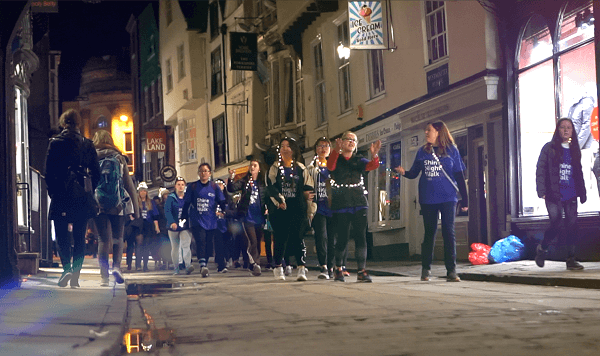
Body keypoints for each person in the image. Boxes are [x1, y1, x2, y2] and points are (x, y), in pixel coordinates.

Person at [395, 121, 468, 282]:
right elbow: (414, 173)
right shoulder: (423, 151)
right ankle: (426, 269)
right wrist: (404, 172)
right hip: (428, 198)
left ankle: (451, 270)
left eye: (429, 130)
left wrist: (465, 200)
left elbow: (459, 176)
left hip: (448, 197)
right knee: (430, 233)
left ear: (438, 131)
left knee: (449, 232)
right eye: (426, 131)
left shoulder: (451, 151)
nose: (426, 133)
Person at [45, 109, 101, 287]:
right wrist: (89, 189)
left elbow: (48, 172)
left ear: (63, 123)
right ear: (79, 123)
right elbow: (96, 172)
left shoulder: (55, 143)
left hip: (61, 193)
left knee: (61, 234)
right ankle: (75, 276)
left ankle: (66, 268)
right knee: (79, 236)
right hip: (81, 195)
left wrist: (53, 192)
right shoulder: (87, 144)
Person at [327, 132, 380, 283]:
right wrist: (336, 151)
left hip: (359, 201)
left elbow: (372, 166)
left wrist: (375, 155)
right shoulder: (336, 158)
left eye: (354, 140)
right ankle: (338, 269)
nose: (351, 142)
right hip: (342, 203)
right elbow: (330, 167)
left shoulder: (359, 159)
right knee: (342, 237)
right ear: (342, 143)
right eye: (348, 139)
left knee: (361, 237)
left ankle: (361, 270)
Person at [535, 118, 586, 270]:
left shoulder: (574, 149)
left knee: (572, 225)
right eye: (563, 127)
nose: (565, 130)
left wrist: (582, 192)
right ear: (558, 130)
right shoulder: (549, 148)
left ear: (572, 131)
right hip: (553, 194)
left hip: (571, 193)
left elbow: (578, 172)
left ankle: (571, 259)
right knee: (556, 222)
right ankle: (542, 248)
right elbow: (541, 170)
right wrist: (542, 191)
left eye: (569, 128)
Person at [92, 130, 140, 286]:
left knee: (102, 239)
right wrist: (136, 210)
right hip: (117, 204)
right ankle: (117, 267)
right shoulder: (119, 157)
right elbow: (129, 184)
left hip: (98, 203)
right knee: (118, 237)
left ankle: (104, 277)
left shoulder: (91, 157)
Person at [266, 137, 314, 281]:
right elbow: (270, 186)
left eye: (288, 146)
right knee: (280, 237)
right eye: (282, 146)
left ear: (293, 149)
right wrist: (279, 200)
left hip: (297, 207)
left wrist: (308, 200)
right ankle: (278, 266)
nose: (285, 148)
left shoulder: (300, 167)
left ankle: (301, 268)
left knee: (298, 237)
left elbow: (308, 186)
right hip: (281, 208)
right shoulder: (274, 168)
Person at [181, 163, 228, 276]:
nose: (203, 173)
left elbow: (221, 201)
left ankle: (205, 262)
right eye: (201, 171)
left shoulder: (214, 187)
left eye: (206, 171)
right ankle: (203, 265)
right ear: (198, 173)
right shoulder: (193, 187)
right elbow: (186, 203)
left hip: (211, 221)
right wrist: (183, 217)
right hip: (197, 220)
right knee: (200, 241)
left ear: (209, 173)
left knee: (208, 244)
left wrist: (224, 211)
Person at [228, 159, 267, 276]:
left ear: (259, 169)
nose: (252, 167)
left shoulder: (262, 183)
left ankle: (253, 264)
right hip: (247, 217)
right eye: (251, 165)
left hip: (259, 216)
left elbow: (266, 197)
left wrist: (267, 208)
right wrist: (231, 178)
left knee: (258, 241)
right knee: (252, 241)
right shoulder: (245, 181)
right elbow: (232, 188)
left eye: (255, 165)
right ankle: (255, 264)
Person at [307, 137, 335, 279]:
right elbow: (307, 184)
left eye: (326, 146)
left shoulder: (334, 166)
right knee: (321, 237)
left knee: (332, 238)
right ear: (316, 149)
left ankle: (331, 266)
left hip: (333, 207)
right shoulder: (311, 168)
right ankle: (323, 266)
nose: (323, 148)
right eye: (320, 146)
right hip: (318, 207)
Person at [165, 177, 195, 275]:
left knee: (186, 245)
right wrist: (172, 222)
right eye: (178, 184)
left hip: (185, 226)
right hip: (173, 227)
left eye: (182, 184)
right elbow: (167, 211)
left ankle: (187, 265)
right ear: (175, 186)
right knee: (175, 247)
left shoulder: (188, 198)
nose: (181, 186)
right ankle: (176, 267)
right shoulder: (171, 198)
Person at [136, 182, 160, 272]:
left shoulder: (151, 203)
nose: (142, 193)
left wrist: (156, 227)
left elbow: (155, 216)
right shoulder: (136, 202)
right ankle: (138, 264)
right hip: (139, 225)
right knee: (139, 245)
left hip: (148, 225)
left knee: (146, 246)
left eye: (144, 191)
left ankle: (145, 265)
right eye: (141, 191)